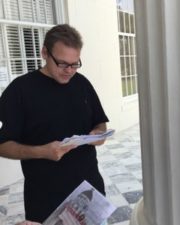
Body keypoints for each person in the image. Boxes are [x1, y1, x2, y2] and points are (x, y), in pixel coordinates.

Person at [0, 24, 109, 224]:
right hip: (46, 202)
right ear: (44, 53)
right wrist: (43, 152)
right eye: (62, 64)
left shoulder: (82, 83)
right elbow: (3, 146)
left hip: (89, 193)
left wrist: (97, 135)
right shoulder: (20, 91)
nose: (69, 71)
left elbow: (100, 123)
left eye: (75, 64)